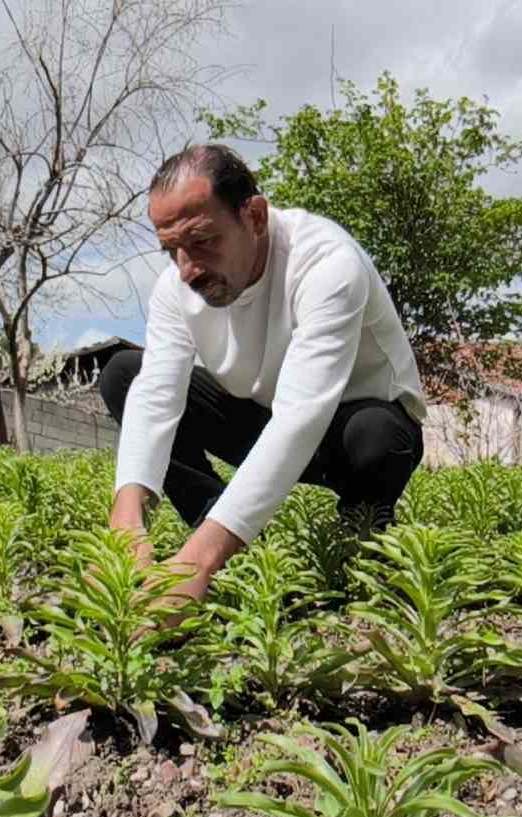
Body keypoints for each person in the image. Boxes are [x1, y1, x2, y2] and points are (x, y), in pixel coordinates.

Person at [101, 143, 427, 605]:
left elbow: (301, 417)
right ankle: (212, 521)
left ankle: (361, 539)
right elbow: (156, 395)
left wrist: (198, 563)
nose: (187, 269)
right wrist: (126, 518)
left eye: (203, 241)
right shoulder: (177, 286)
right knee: (124, 374)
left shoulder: (327, 262)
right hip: (259, 415)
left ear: (254, 216)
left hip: (346, 432)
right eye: (171, 249)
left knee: (376, 434)